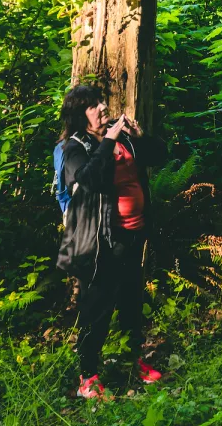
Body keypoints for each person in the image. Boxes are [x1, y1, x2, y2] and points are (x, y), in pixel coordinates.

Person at [54, 84, 166, 399]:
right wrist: (110, 140)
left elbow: (161, 154)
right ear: (80, 116)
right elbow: (86, 178)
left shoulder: (124, 137)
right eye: (93, 105)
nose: (103, 108)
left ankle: (133, 360)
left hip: (134, 234)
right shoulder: (74, 147)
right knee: (98, 307)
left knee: (132, 300)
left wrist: (139, 136)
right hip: (103, 241)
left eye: (102, 102)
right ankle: (88, 375)